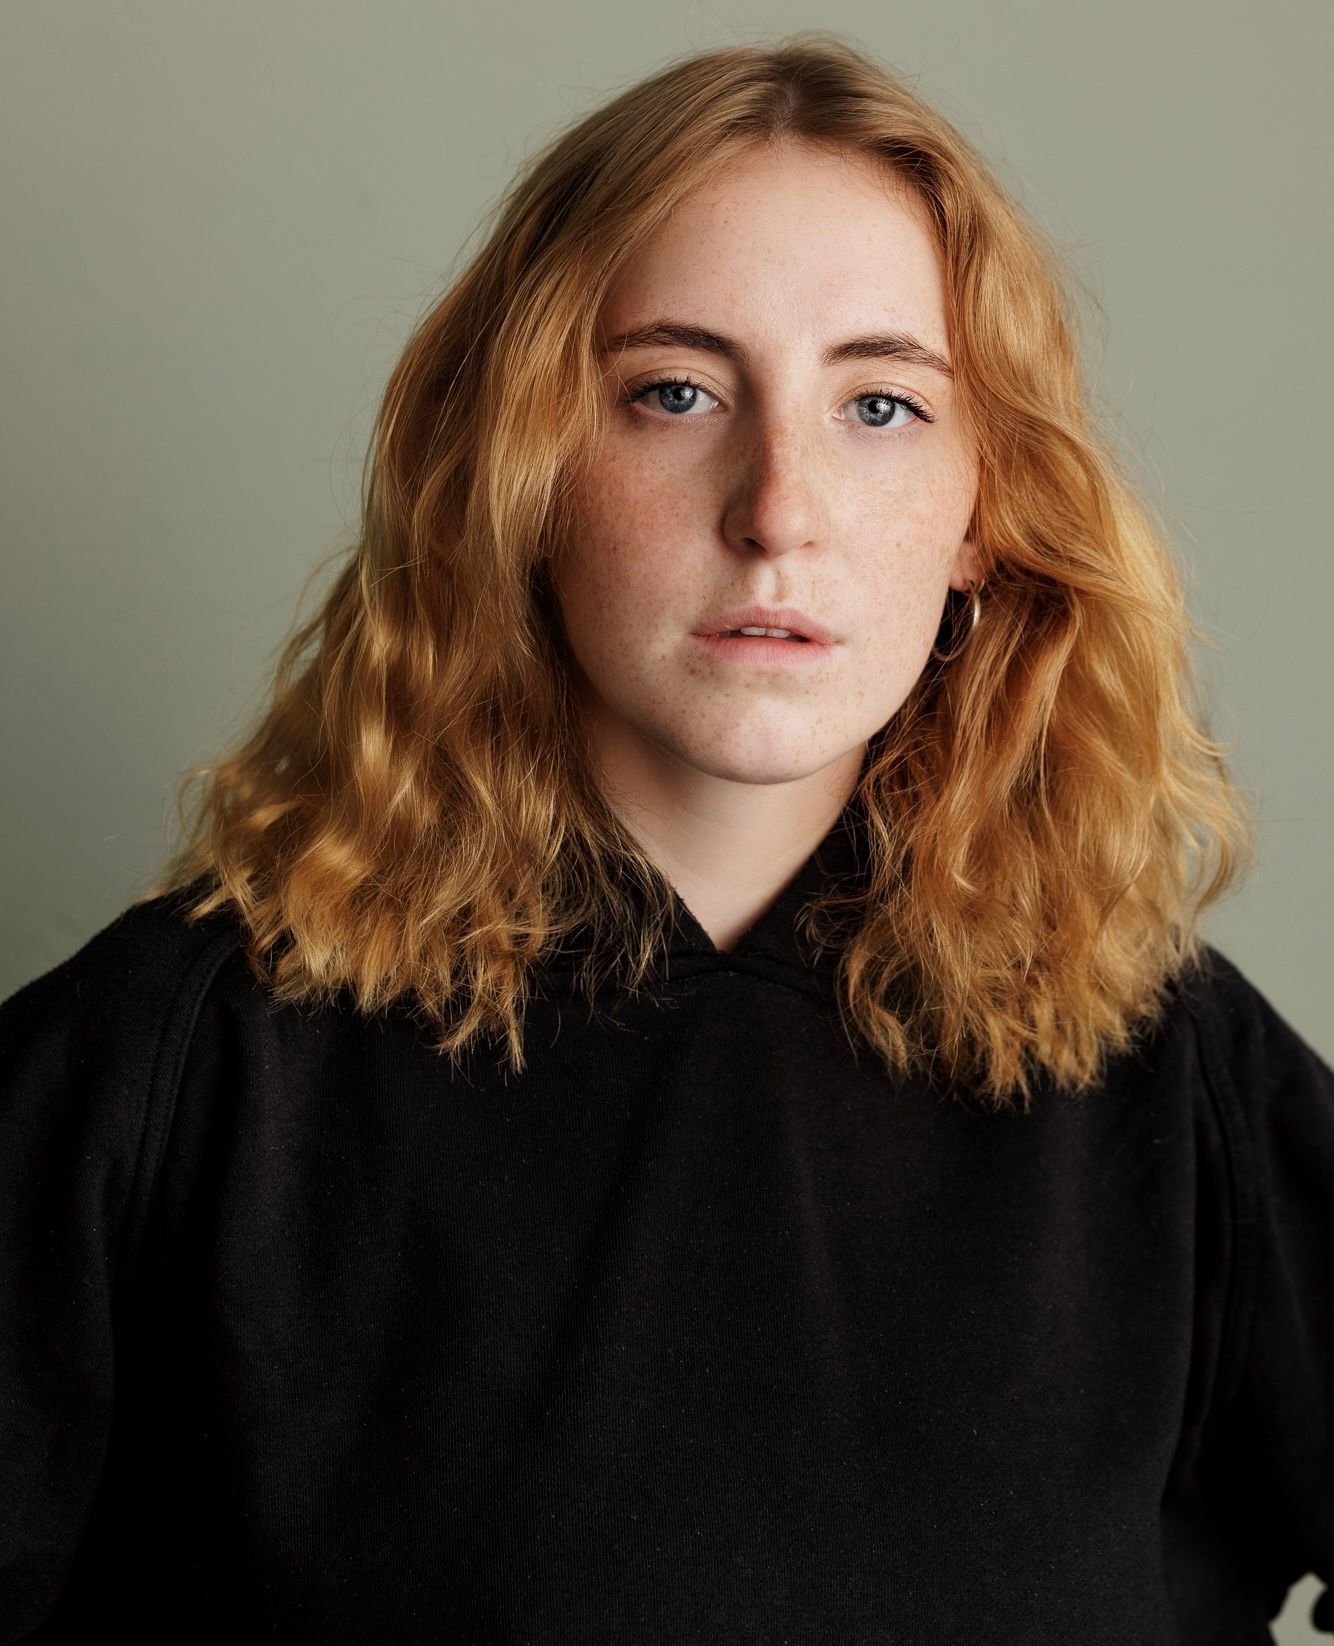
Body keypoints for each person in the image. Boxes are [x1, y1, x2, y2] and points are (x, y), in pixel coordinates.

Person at [2, 32, 1331, 1644]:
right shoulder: (180, 1069)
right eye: (674, 392)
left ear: (985, 513)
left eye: (882, 404)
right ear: (521, 470)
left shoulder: (1170, 1080)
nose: (778, 509)